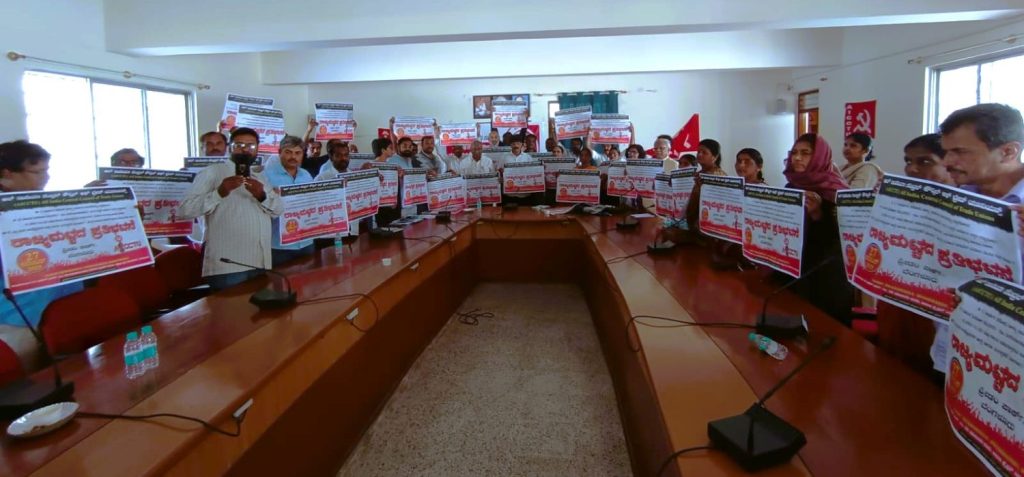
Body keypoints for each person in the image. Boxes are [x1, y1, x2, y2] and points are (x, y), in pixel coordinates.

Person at [876, 133, 956, 377]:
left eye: (925, 162)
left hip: (940, 309)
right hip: (899, 297)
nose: (911, 169)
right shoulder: (905, 201)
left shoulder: (969, 210)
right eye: (908, 161)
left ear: (950, 164)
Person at [0, 141, 84, 371]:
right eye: (37, 172)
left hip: (60, 304)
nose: (45, 177)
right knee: (27, 382)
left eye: (47, 170)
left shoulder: (45, 206)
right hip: (17, 316)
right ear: (7, 175)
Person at [179, 127, 283, 291]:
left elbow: (278, 210)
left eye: (251, 146)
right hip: (228, 265)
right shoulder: (212, 173)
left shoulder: (259, 177)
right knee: (231, 308)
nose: (245, 149)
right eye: (239, 145)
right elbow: (185, 210)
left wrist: (262, 196)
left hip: (260, 262)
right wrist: (219, 193)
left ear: (257, 149)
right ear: (230, 147)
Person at [783, 133, 854, 325]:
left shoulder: (836, 191)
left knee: (826, 327)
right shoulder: (791, 186)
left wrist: (817, 215)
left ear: (819, 156)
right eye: (794, 153)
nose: (797, 158)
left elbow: (844, 241)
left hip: (828, 275)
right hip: (796, 269)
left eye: (805, 153)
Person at [264, 136, 314, 266]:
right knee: (282, 278)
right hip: (279, 244)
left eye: (298, 153)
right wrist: (270, 195)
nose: (293, 157)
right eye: (288, 152)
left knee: (309, 277)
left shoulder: (306, 175)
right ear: (279, 152)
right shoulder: (266, 175)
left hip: (306, 241)